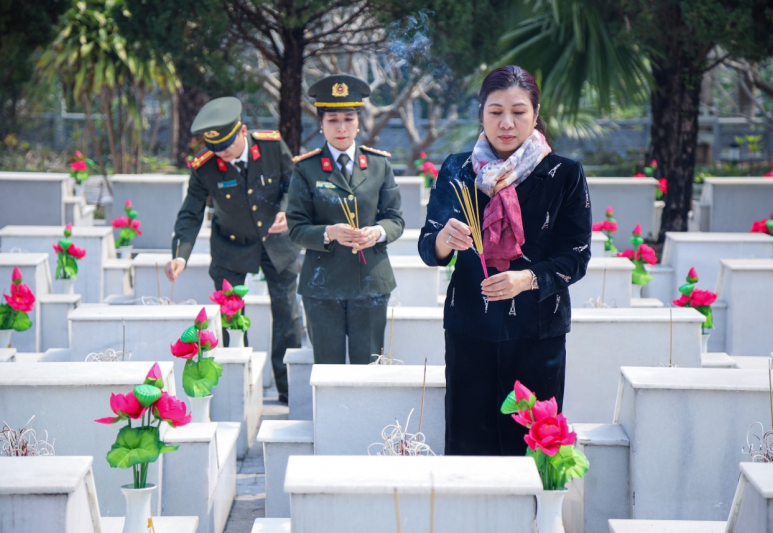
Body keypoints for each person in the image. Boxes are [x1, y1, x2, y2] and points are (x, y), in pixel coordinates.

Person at [418, 65, 592, 455]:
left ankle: (535, 500)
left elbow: (576, 256)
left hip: (538, 332)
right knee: (469, 448)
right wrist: (445, 238)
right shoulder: (457, 170)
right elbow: (429, 247)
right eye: (496, 112)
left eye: (518, 111)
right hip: (469, 329)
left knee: (531, 447)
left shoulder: (564, 174)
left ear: (536, 112)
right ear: (481, 113)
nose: (507, 123)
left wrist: (526, 279)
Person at [166, 96, 301, 404]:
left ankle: (288, 387)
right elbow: (190, 213)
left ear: (242, 131)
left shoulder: (271, 146)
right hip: (231, 247)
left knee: (286, 313)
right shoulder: (204, 166)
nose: (222, 153)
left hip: (276, 242)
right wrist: (180, 254)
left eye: (227, 145)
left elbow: (292, 183)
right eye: (215, 148)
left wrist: (287, 210)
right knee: (230, 318)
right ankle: (238, 389)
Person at [286, 74, 404, 364]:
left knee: (368, 368)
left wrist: (377, 232)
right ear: (321, 124)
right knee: (328, 370)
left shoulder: (378, 164)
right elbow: (296, 227)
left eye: (349, 119)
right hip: (322, 284)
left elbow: (395, 219)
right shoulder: (306, 168)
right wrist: (329, 232)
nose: (341, 127)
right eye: (333, 120)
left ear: (358, 121)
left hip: (371, 282)